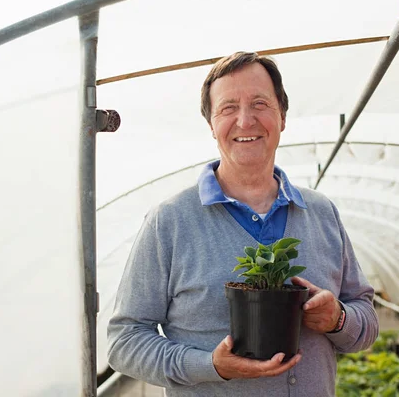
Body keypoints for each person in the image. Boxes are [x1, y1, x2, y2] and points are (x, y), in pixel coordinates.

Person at [107, 51, 379, 396]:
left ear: (282, 117)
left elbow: (365, 319)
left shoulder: (321, 212)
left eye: (260, 104)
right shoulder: (170, 221)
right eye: (228, 108)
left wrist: (339, 319)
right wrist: (211, 366)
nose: (245, 120)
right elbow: (124, 342)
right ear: (212, 125)